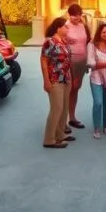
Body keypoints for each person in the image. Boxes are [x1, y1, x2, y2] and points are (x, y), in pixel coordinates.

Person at [40, 17, 75, 148]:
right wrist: (46, 81)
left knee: (64, 108)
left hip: (66, 79)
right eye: (66, 26)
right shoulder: (50, 42)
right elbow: (43, 61)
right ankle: (49, 139)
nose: (68, 28)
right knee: (57, 108)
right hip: (55, 80)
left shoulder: (63, 41)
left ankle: (60, 134)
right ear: (58, 28)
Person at [86, 23, 106, 138]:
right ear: (99, 32)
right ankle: (97, 128)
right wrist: (105, 64)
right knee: (98, 102)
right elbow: (90, 63)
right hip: (96, 78)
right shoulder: (92, 44)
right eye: (103, 32)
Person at [64, 4, 91, 130]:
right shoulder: (64, 26)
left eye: (79, 14)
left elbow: (88, 42)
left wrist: (88, 61)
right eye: (74, 15)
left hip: (81, 63)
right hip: (69, 63)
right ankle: (62, 121)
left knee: (75, 90)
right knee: (67, 90)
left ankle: (72, 117)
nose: (77, 17)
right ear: (69, 15)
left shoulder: (83, 26)